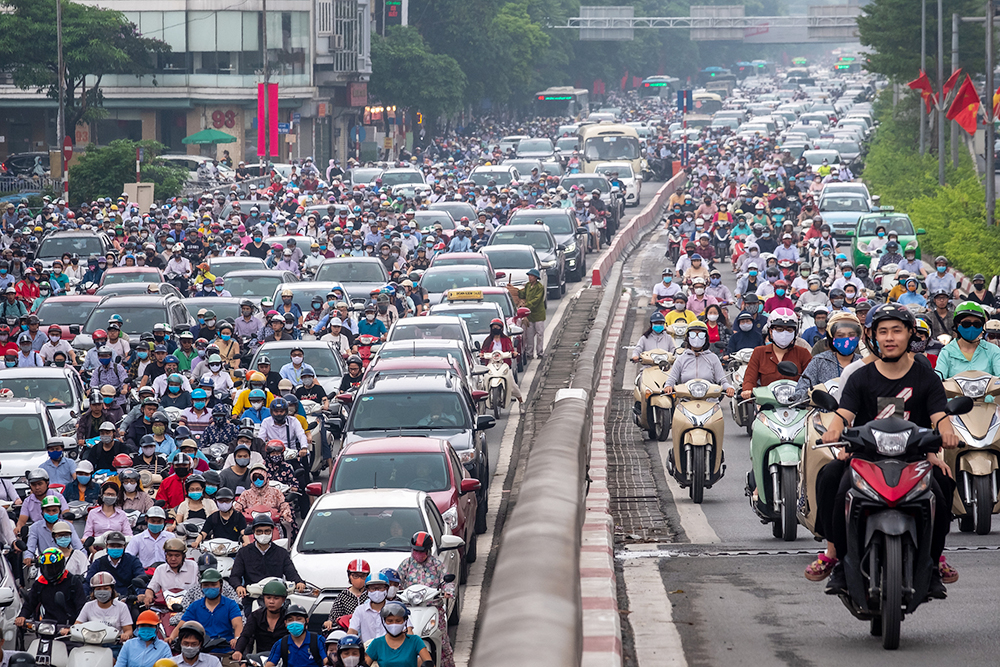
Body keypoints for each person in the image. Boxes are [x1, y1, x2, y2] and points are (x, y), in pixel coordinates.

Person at [818, 304, 961, 595]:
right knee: (832, 477)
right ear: (873, 336)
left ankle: (933, 562)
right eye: (883, 331)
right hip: (865, 457)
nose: (890, 337)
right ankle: (840, 561)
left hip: (914, 457)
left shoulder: (927, 378)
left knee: (943, 484)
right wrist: (834, 430)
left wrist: (947, 432)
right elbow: (844, 413)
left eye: (897, 330)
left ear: (910, 334)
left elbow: (939, 415)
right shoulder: (860, 377)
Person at [396, 531, 453, 667]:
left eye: (421, 551)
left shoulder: (436, 565)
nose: (418, 554)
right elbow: (396, 580)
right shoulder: (406, 564)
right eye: (415, 550)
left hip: (433, 609)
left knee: (444, 644)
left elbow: (447, 581)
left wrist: (448, 591)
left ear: (428, 550)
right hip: (410, 610)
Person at [740, 308, 812, 400]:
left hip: (797, 404)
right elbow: (749, 379)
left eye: (789, 330)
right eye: (779, 329)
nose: (784, 333)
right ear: (770, 331)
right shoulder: (759, 352)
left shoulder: (803, 353)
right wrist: (747, 391)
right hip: (767, 405)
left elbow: (811, 379)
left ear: (795, 333)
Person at [229, 514, 306, 598]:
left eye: (267, 531)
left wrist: (299, 582)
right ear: (253, 532)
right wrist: (238, 586)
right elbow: (235, 576)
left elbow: (291, 573)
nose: (263, 534)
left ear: (272, 531)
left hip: (277, 597)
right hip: (252, 597)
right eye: (259, 531)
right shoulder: (243, 552)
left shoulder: (281, 553)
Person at [16, 548, 86, 628]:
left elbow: (81, 607)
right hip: (47, 627)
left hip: (69, 628)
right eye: (46, 568)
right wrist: (22, 616)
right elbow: (30, 603)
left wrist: (76, 626)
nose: (50, 571)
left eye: (54, 568)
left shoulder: (73, 582)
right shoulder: (40, 583)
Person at [174, 568, 243, 650]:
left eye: (213, 585)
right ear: (201, 587)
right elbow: (182, 625)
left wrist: (237, 639)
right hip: (201, 651)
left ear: (220, 585)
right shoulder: (195, 606)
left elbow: (237, 624)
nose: (210, 588)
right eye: (206, 585)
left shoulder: (230, 604)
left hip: (226, 650)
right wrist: (171, 638)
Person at [662, 321, 734, 397]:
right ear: (688, 338)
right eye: (693, 334)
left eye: (701, 335)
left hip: (710, 402)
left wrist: (729, 388)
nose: (696, 337)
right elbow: (671, 379)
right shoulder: (681, 359)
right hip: (686, 402)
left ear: (706, 338)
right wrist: (668, 386)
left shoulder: (713, 358)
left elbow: (722, 381)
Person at [935, 301, 1000, 377]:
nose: (972, 327)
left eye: (977, 324)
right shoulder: (947, 352)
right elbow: (939, 379)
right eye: (966, 324)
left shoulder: (993, 350)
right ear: (957, 325)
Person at [233, 578, 291, 662]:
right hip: (260, 660)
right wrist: (238, 651)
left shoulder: (289, 617)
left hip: (285, 660)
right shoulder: (255, 616)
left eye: (276, 598)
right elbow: (245, 636)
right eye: (268, 597)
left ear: (283, 600)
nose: (271, 601)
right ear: (263, 598)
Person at [363, 603, 431, 667]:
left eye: (398, 621)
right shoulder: (377, 643)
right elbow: (364, 664)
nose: (394, 624)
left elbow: (429, 663)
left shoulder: (415, 641)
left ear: (405, 621)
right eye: (390, 621)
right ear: (384, 622)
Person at [25, 496, 84, 565]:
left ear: (59, 511)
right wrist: (28, 557)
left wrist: (83, 557)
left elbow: (78, 546)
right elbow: (30, 547)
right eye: (48, 511)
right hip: (45, 565)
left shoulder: (67, 525)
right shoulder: (35, 527)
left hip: (66, 563)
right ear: (42, 512)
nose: (51, 513)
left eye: (54, 510)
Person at [85, 530, 145, 596]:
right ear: (106, 546)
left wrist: (141, 595)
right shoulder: (98, 562)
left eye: (119, 546)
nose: (115, 548)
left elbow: (140, 577)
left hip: (128, 599)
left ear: (124, 547)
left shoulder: (133, 561)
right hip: (104, 599)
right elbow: (88, 582)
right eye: (112, 545)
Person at [76, 572, 133, 640]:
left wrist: (125, 635)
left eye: (106, 589)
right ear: (93, 591)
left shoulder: (122, 607)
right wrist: (68, 630)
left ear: (112, 590)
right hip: (91, 643)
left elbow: (128, 630)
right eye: (98, 589)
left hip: (114, 644)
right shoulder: (88, 606)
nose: (102, 591)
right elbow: (77, 626)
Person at [143, 537, 199, 606]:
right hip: (166, 608)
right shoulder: (160, 570)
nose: (173, 559)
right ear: (165, 556)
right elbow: (151, 589)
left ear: (183, 556)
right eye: (170, 555)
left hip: (190, 608)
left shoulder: (194, 567)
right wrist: (149, 596)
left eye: (177, 555)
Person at [323, 559, 370, 631]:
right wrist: (329, 622)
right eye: (355, 576)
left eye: (363, 576)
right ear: (349, 576)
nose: (359, 579)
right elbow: (334, 615)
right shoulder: (343, 596)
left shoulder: (371, 594)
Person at [347, 573, 392, 642]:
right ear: (367, 590)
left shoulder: (395, 608)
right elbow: (352, 631)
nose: (376, 591)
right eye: (372, 588)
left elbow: (407, 630)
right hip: (367, 650)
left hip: (390, 650)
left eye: (380, 588)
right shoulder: (360, 610)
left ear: (387, 589)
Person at [518, 268, 546, 359]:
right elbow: (523, 295)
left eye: (531, 276)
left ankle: (540, 352)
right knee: (529, 335)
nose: (530, 278)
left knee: (540, 334)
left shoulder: (540, 287)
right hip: (529, 315)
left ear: (536, 277)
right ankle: (529, 353)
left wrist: (526, 305)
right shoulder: (527, 286)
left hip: (538, 314)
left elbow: (536, 300)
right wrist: (515, 290)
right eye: (529, 276)